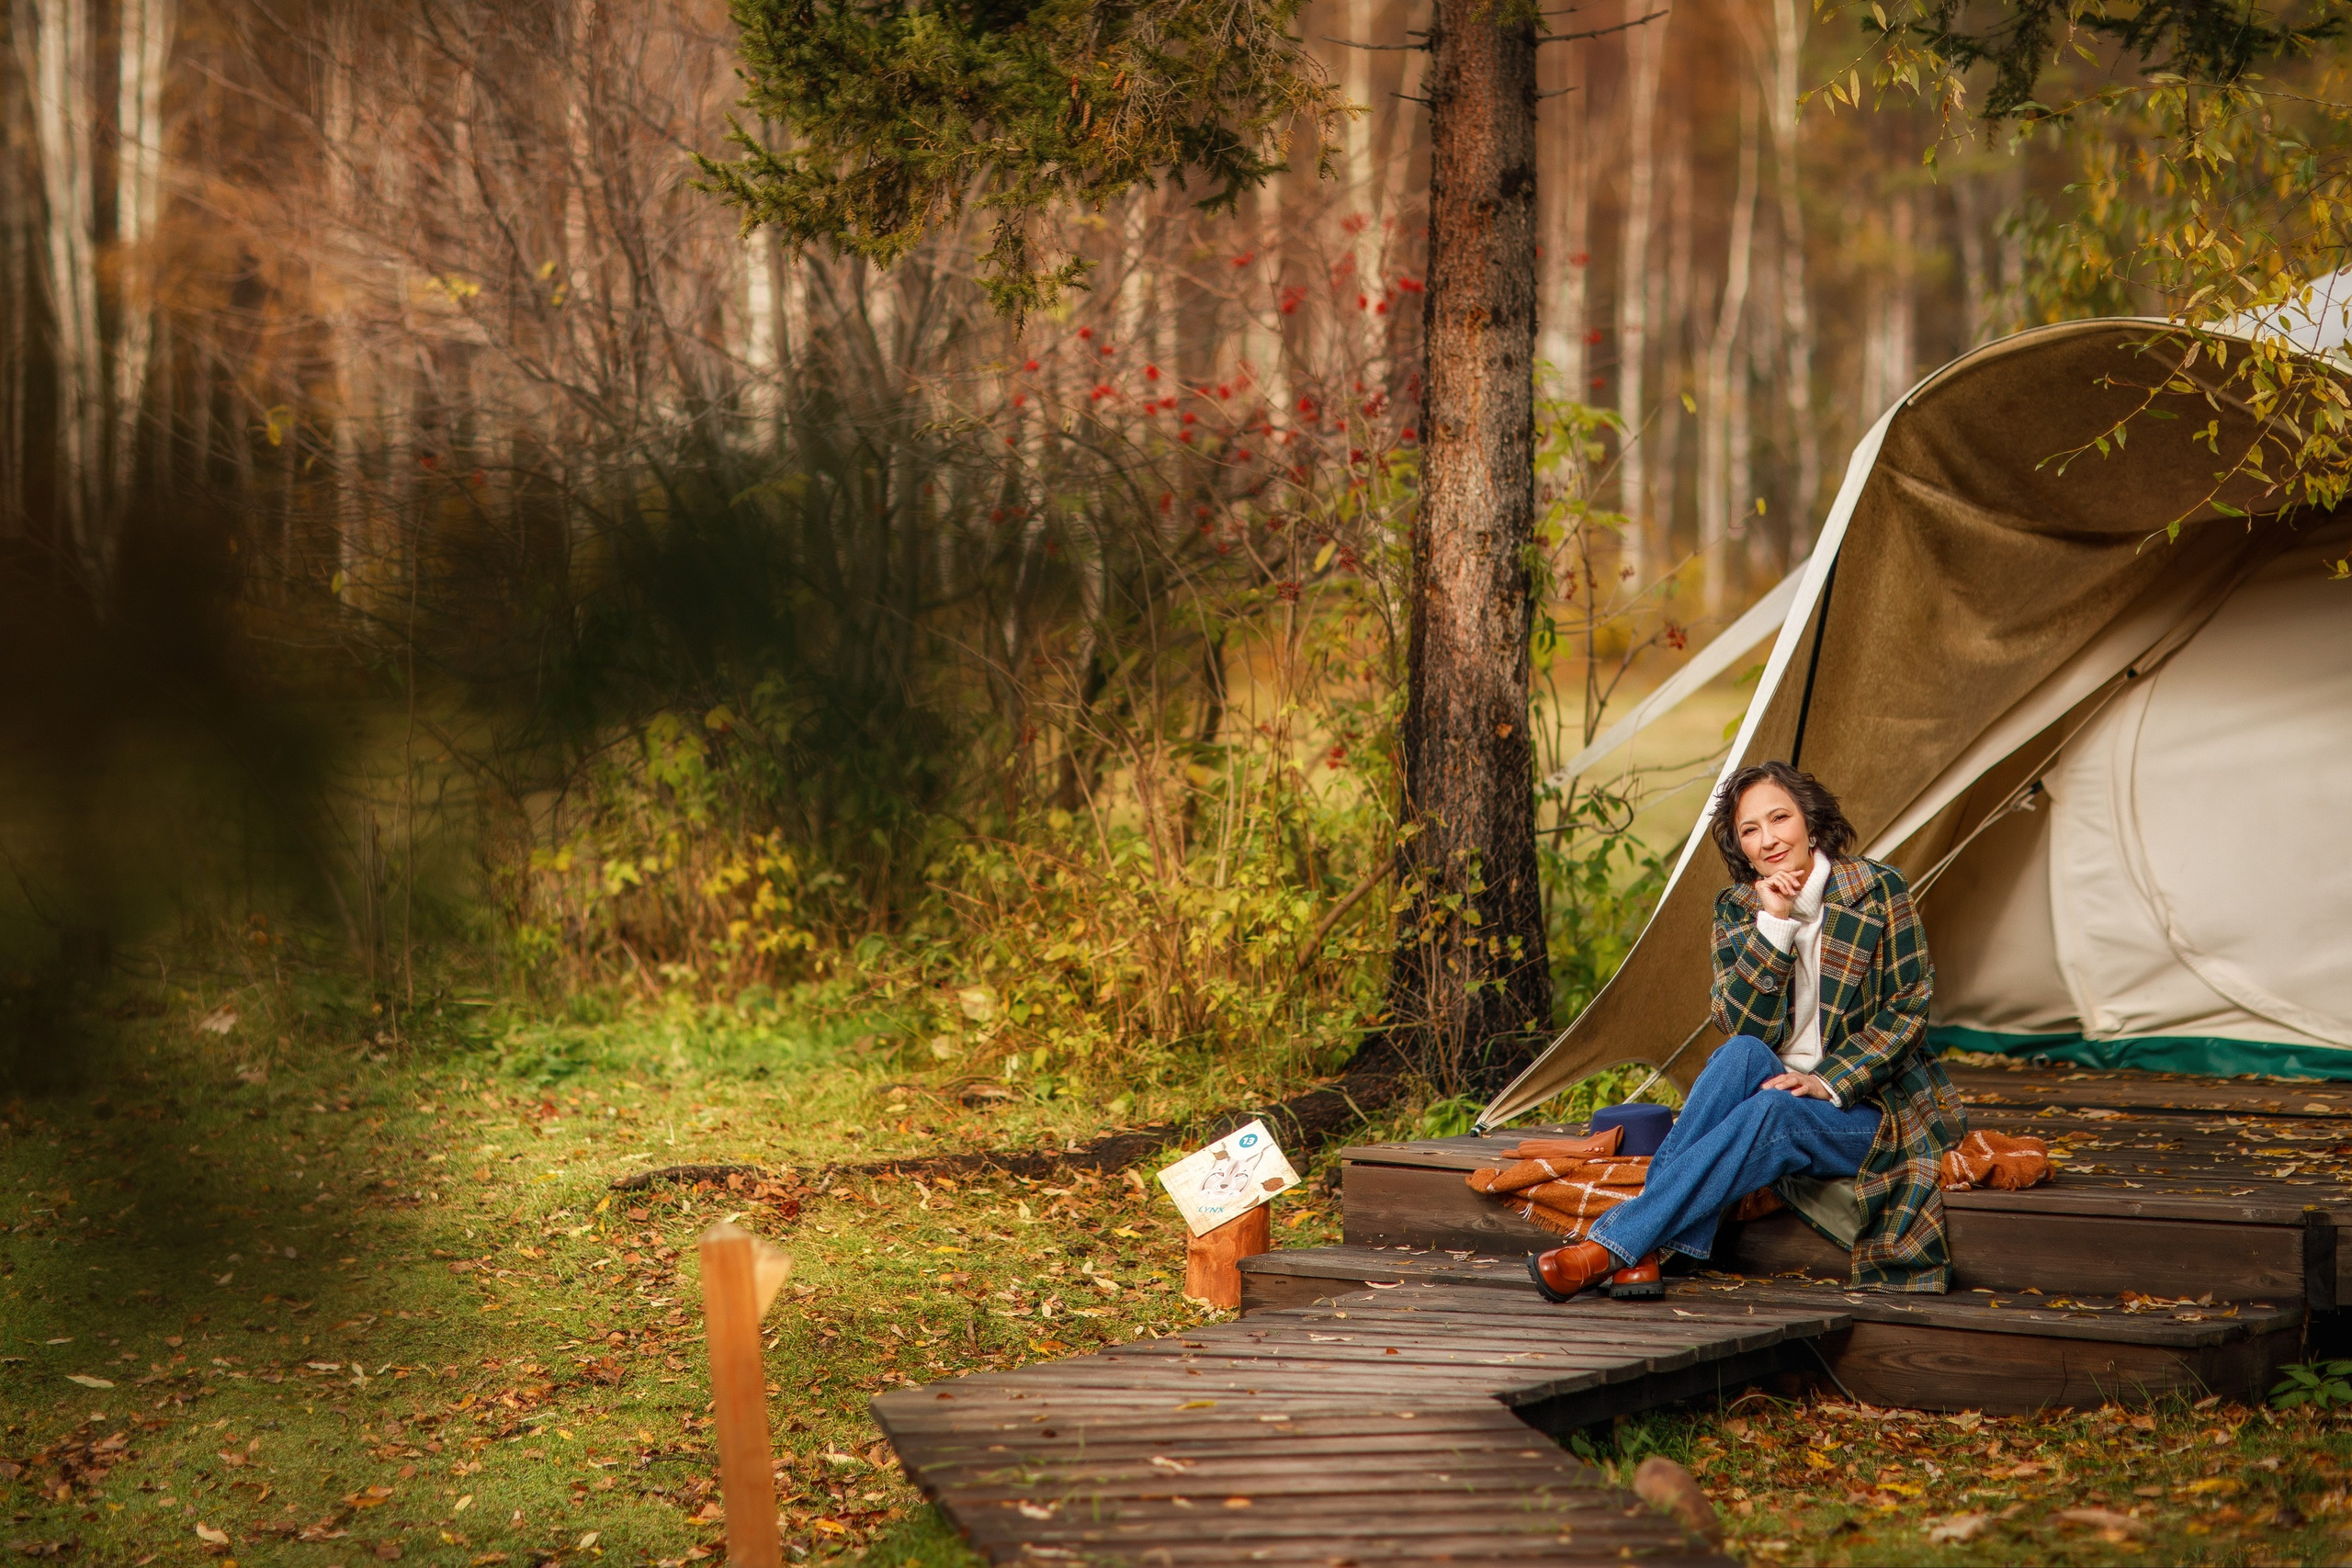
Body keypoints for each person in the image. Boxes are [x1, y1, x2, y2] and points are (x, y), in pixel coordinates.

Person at [1529, 761, 1967, 1301]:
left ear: (1811, 822)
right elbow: (1744, 1027)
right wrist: (1775, 925)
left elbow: (1908, 1008)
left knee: (1773, 1111)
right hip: (1776, 1082)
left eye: (1779, 818)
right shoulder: (1740, 908)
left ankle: (1613, 1247)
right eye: (1749, 830)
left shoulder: (1879, 890)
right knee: (1738, 1054)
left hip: (1874, 1110)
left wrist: (1828, 1079)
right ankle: (1640, 1248)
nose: (1768, 840)